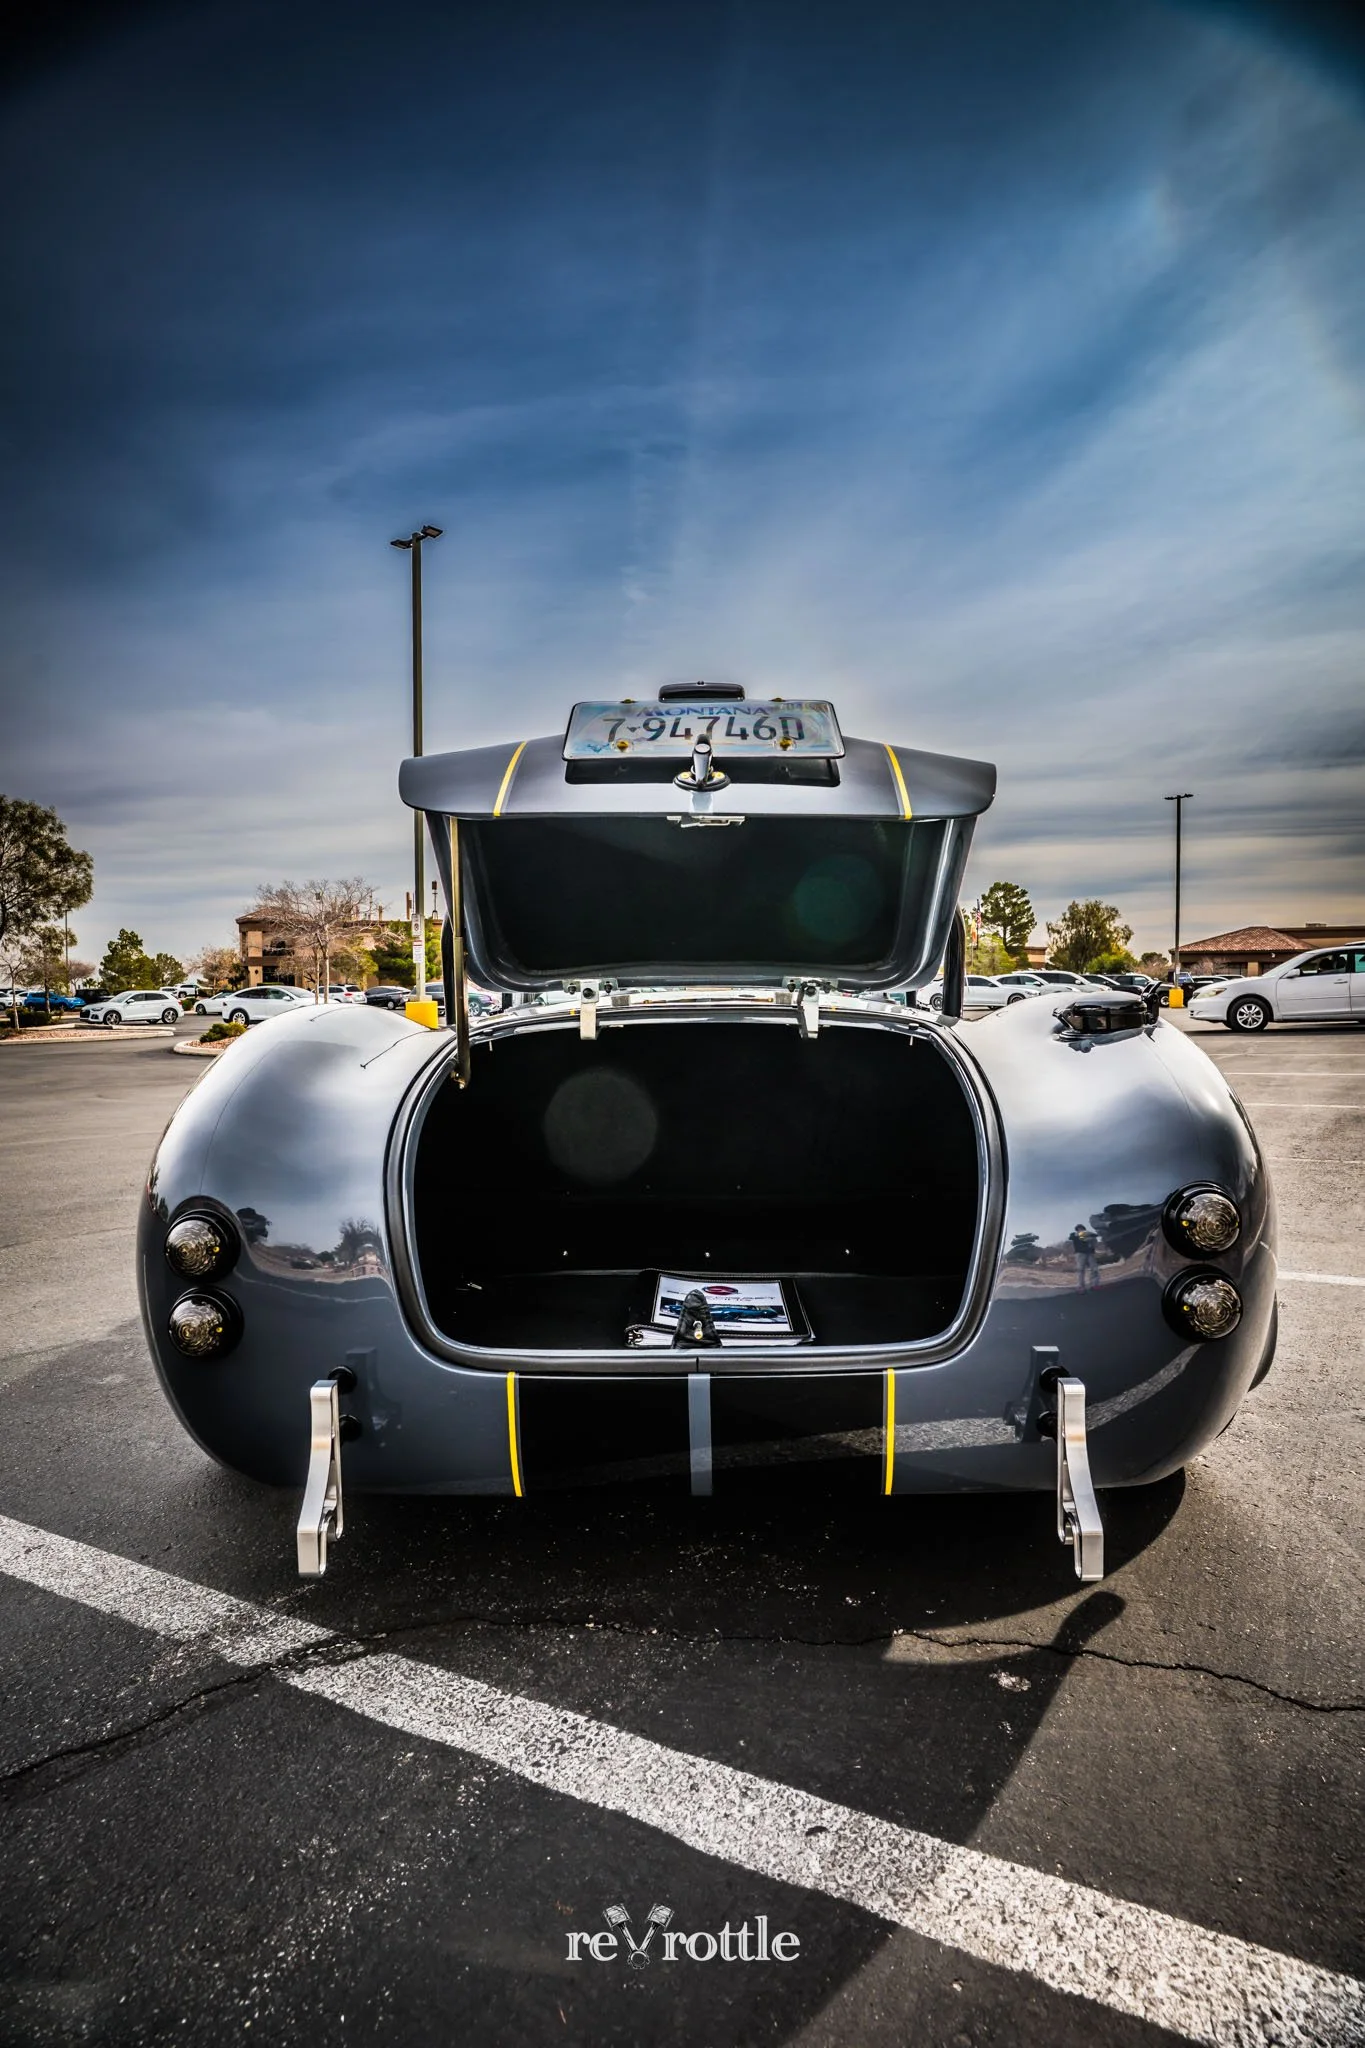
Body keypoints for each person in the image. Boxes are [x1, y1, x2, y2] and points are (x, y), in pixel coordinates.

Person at [1069, 1222, 1101, 1291]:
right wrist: (1081, 1235)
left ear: (1084, 1229)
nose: (1080, 1229)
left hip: (1090, 1253)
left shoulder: (1089, 1235)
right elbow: (1070, 1237)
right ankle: (1081, 1286)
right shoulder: (1074, 1235)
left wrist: (1089, 1238)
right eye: (1078, 1229)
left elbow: (1095, 1236)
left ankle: (1095, 1284)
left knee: (1094, 1269)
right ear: (1077, 1230)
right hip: (1080, 1253)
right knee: (1080, 1269)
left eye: (1081, 1228)